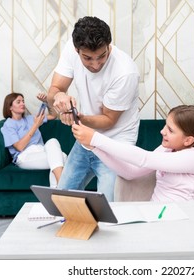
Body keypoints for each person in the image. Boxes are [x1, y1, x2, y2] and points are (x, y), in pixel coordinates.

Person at [46, 16, 140, 201]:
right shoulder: (70, 51)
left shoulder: (125, 72)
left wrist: (76, 118)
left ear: (108, 46)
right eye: (88, 58)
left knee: (107, 208)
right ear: (76, 50)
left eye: (102, 56)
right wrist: (59, 96)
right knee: (62, 201)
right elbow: (54, 91)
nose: (96, 64)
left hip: (116, 145)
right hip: (86, 140)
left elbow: (108, 121)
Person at [72, 105, 194, 202]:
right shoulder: (166, 150)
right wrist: (94, 147)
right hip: (156, 217)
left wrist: (96, 138)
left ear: (188, 140)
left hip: (181, 225)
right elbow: (130, 172)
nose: (162, 131)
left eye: (170, 130)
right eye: (165, 126)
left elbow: (144, 159)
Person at [0, 92, 67, 187]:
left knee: (52, 141)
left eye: (23, 101)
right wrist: (35, 125)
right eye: (18, 102)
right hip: (24, 156)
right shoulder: (8, 125)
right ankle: (61, 187)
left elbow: (53, 115)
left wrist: (46, 102)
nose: (22, 104)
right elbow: (19, 147)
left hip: (41, 150)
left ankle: (58, 190)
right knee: (63, 157)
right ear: (10, 107)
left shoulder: (30, 118)